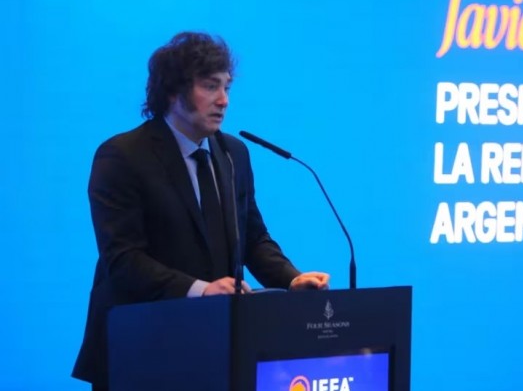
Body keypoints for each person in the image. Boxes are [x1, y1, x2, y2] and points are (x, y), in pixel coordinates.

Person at [72, 32, 330, 390]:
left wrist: (290, 279)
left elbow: (252, 239)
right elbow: (123, 259)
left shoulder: (233, 153)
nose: (223, 100)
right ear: (172, 91)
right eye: (210, 86)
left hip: (216, 348)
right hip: (140, 349)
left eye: (227, 87)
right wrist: (201, 290)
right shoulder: (123, 156)